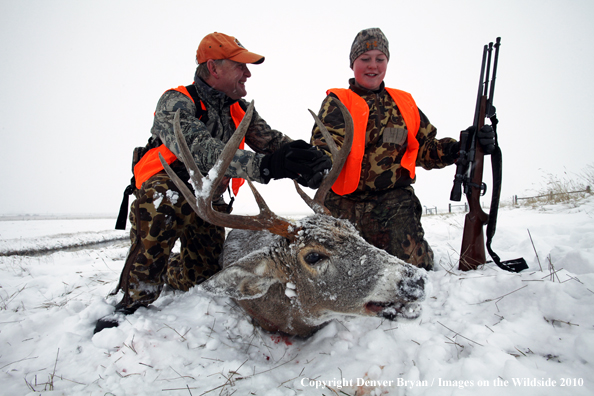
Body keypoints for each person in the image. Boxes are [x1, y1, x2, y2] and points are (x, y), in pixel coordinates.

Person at [95, 32, 330, 333]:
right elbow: (202, 150)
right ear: (214, 68)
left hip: (209, 203)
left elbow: (272, 143)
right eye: (240, 66)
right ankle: (133, 300)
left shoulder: (241, 109)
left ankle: (167, 269)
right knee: (162, 204)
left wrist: (307, 160)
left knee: (202, 278)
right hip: (170, 192)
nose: (247, 73)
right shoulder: (175, 101)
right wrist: (268, 167)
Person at [310, 28, 494, 271]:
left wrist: (462, 147)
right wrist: (313, 167)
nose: (372, 66)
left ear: (387, 62)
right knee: (333, 271)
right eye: (365, 59)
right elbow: (324, 149)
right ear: (353, 63)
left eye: (380, 59)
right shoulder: (337, 102)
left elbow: (426, 149)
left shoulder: (404, 104)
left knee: (411, 269)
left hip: (392, 202)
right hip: (343, 202)